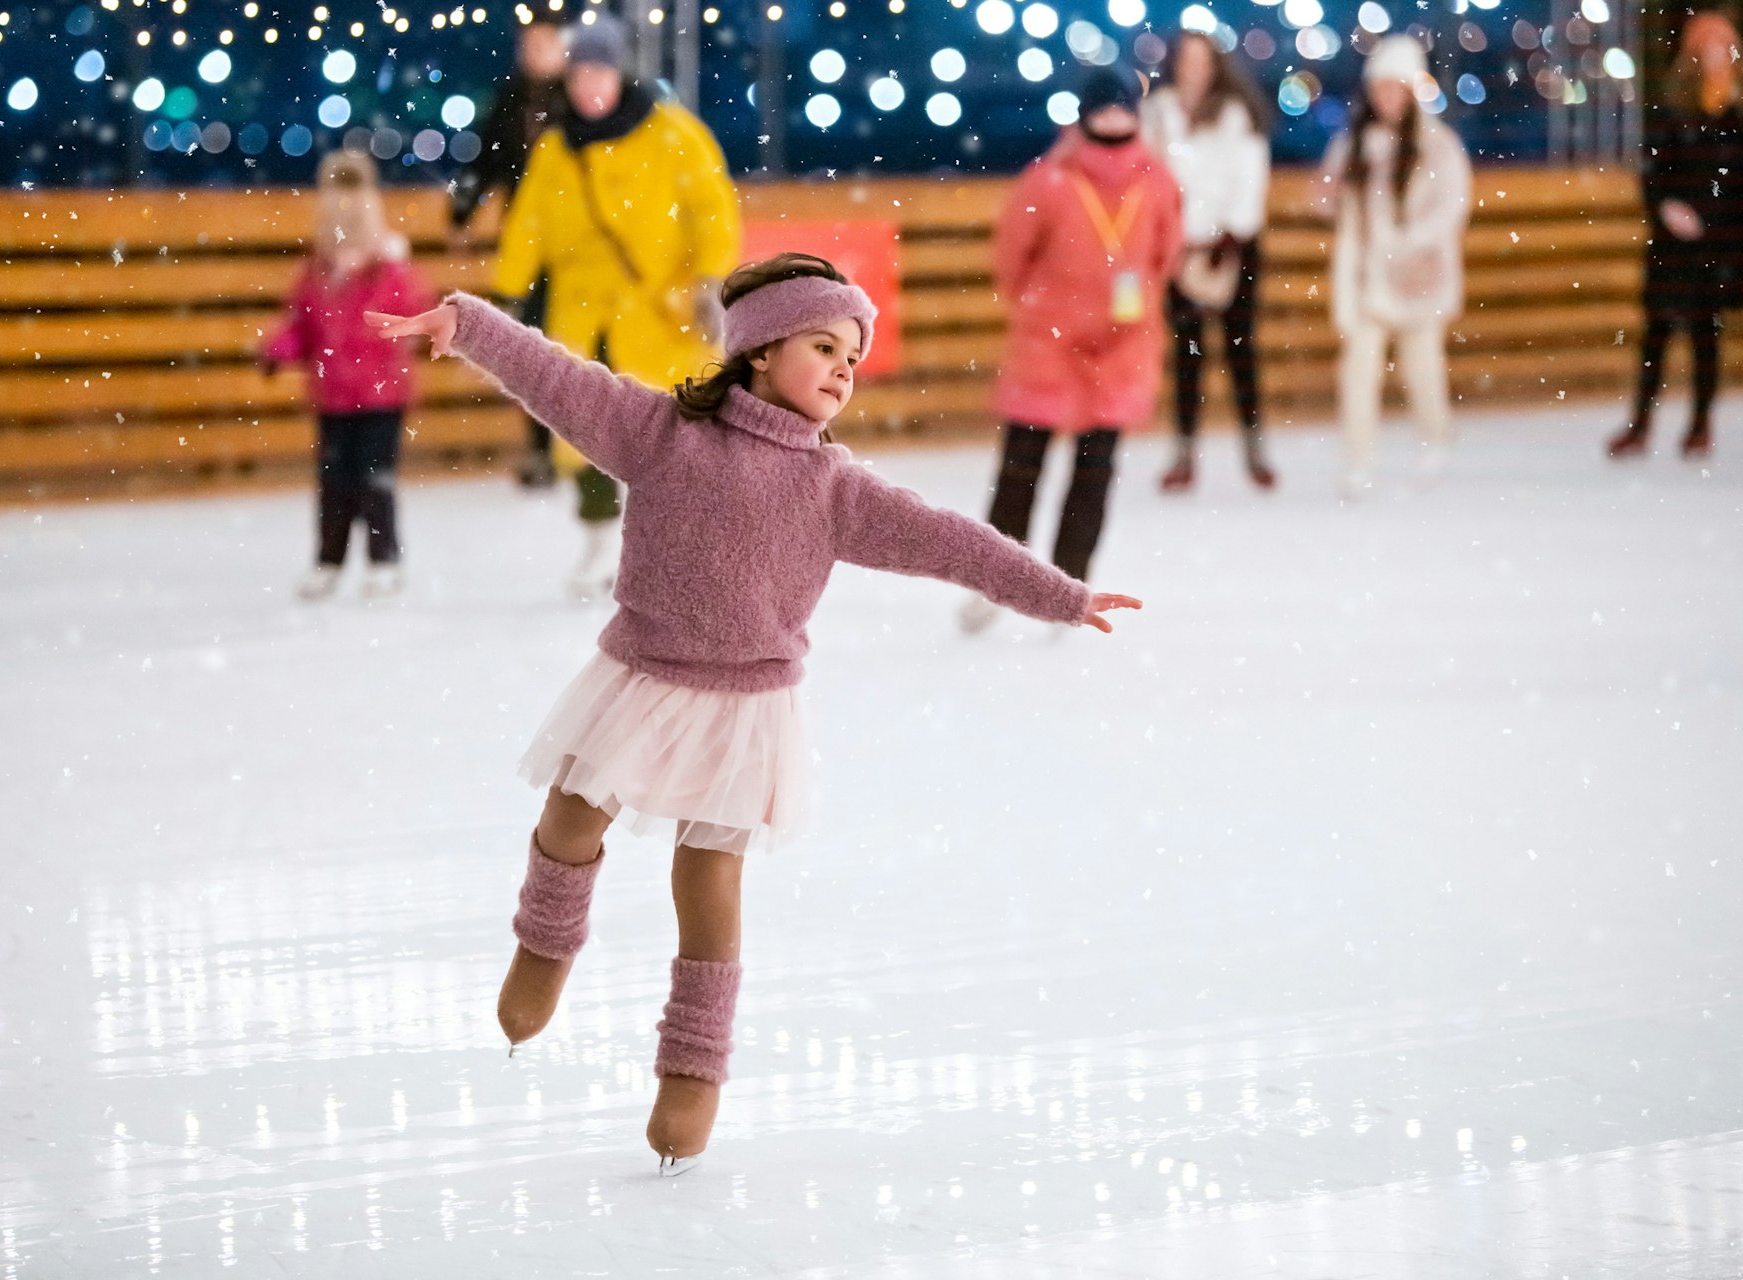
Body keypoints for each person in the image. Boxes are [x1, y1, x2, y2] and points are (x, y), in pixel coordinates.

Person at [367, 253, 1142, 1173]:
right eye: (826, 345)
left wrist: (1057, 594)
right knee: (570, 815)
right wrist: (470, 326)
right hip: (644, 675)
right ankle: (544, 949)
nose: (845, 370)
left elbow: (950, 543)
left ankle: (692, 1071)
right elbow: (562, 382)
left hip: (747, 707)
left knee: (709, 884)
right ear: (763, 350)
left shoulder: (836, 491)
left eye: (853, 357)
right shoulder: (661, 432)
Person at [487, 13, 741, 600]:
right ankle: (602, 544)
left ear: (621, 72)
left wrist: (709, 281)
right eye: (579, 75)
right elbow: (529, 223)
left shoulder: (674, 133)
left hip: (661, 309)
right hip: (582, 310)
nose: (588, 86)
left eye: (599, 72)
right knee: (586, 428)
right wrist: (509, 287)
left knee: (673, 430)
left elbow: (712, 207)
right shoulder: (555, 148)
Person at [963, 65, 1182, 635]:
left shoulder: (1156, 181)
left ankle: (1069, 589)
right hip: (1050, 344)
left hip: (1122, 348)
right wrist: (1047, 309)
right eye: (1103, 107)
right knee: (1020, 467)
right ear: (1085, 114)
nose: (1114, 117)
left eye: (1123, 107)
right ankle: (995, 585)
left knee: (1095, 471)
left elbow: (1166, 253)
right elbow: (1012, 257)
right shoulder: (1049, 180)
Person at [264, 150, 434, 599]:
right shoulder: (316, 275)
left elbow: (409, 315)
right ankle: (329, 560)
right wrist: (276, 350)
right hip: (334, 397)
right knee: (334, 483)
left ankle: (384, 559)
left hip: (381, 397)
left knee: (375, 481)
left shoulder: (390, 273)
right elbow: (302, 326)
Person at [1606, 12, 1743, 461]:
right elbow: (1652, 173)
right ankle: (1640, 424)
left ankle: (1700, 424)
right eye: (1707, 48)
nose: (1715, 57)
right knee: (1657, 335)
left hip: (1724, 242)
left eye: (1723, 48)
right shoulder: (1674, 110)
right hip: (1673, 246)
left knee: (1706, 336)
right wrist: (1665, 206)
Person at [1315, 35, 1471, 497]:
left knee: (1422, 365)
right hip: (1368, 280)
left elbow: (1451, 207)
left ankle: (1435, 439)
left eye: (1395, 88)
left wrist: (1414, 246)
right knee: (1359, 371)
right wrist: (1328, 193)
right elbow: (1330, 200)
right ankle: (1358, 459)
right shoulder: (1354, 146)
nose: (1386, 99)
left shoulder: (1436, 145)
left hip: (1418, 276)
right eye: (1380, 89)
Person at [1143, 31, 1276, 493]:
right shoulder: (1158, 113)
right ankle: (1183, 452)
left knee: (1240, 350)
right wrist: (1168, 241)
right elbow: (1148, 178)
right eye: (1185, 59)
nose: (1192, 69)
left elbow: (1249, 178)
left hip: (1232, 248)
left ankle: (1255, 449)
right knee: (1188, 353)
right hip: (1180, 253)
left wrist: (1229, 238)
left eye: (1201, 60)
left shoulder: (1235, 113)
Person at [447, 12, 568, 489]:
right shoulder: (510, 99)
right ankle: (542, 449)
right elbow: (484, 159)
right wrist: (463, 208)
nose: (535, 52)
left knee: (579, 349)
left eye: (545, 43)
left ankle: (578, 453)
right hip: (527, 246)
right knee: (535, 348)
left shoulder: (580, 101)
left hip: (577, 249)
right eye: (529, 44)